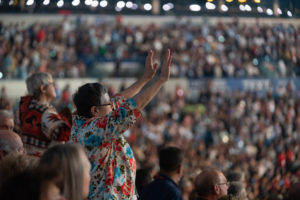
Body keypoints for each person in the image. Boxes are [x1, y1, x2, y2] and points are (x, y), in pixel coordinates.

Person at [70, 49, 172, 199]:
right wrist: (160, 81)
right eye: (109, 105)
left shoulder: (83, 121)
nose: (113, 106)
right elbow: (130, 108)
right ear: (95, 111)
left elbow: (119, 100)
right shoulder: (92, 131)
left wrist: (145, 79)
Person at [19, 72, 71, 157]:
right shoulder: (46, 113)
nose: (55, 87)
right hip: (43, 165)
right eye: (52, 84)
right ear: (43, 88)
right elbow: (65, 136)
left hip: (27, 163)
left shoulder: (27, 107)